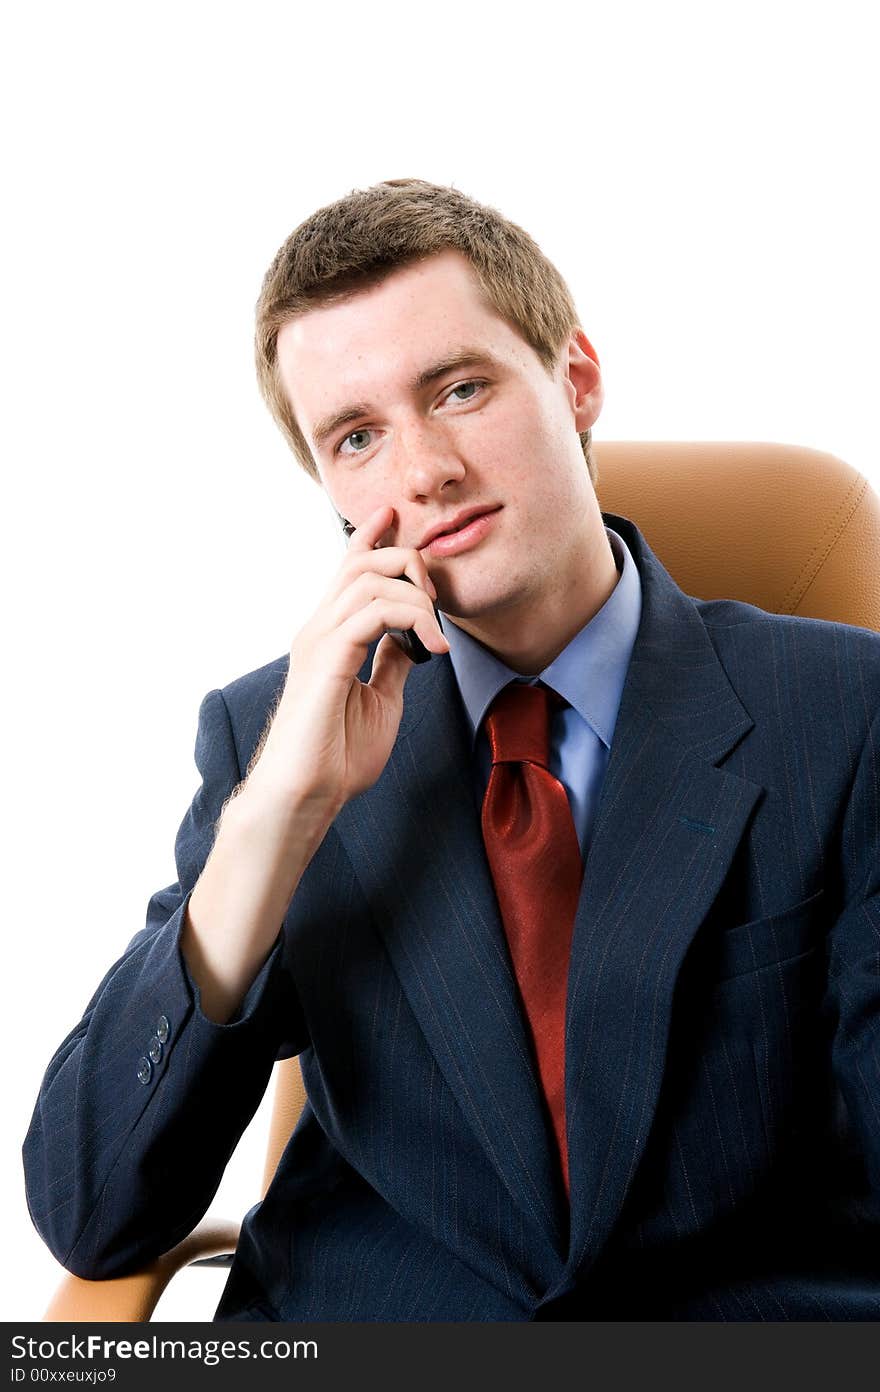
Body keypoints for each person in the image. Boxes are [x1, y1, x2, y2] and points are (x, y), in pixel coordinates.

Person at [24, 179, 880, 1321]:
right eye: (357, 436)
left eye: (461, 389)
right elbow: (95, 1214)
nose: (421, 472)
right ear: (329, 486)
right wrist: (279, 817)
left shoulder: (843, 710)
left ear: (574, 379)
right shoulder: (271, 740)